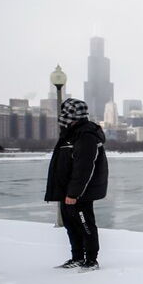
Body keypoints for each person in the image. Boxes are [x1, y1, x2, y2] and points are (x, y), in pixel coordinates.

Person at [45, 98, 109, 271]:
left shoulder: (86, 135)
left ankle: (91, 260)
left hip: (80, 192)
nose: (62, 116)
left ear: (74, 115)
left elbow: (84, 168)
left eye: (66, 113)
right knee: (70, 224)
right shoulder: (70, 133)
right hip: (66, 190)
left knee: (85, 224)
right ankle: (77, 257)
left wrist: (74, 193)